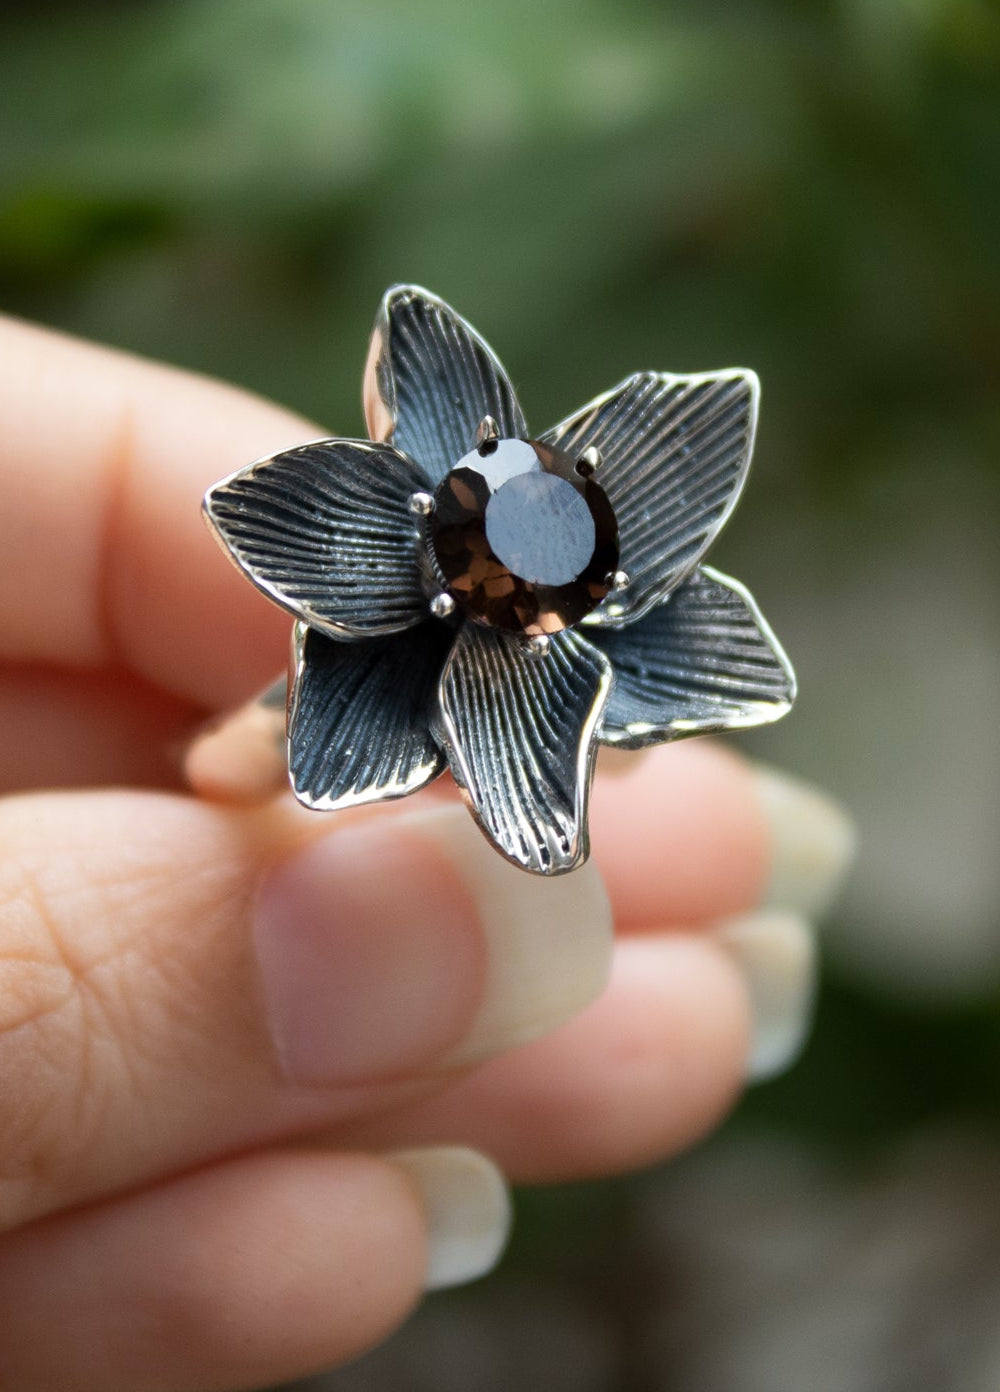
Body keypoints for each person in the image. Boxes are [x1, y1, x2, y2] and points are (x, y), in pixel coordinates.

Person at [0, 314, 853, 1391]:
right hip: (251, 739)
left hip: (539, 670)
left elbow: (593, 762)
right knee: (256, 770)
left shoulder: (583, 622)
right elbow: (303, 747)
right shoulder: (392, 553)